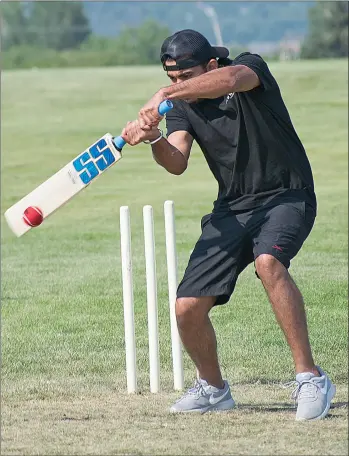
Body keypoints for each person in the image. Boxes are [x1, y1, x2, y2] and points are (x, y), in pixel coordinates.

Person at [121, 29, 336, 420]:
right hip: (232, 208)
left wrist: (164, 96)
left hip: (286, 195)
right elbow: (177, 161)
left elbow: (233, 79)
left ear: (211, 64)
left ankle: (311, 378)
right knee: (187, 308)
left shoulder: (249, 69)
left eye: (185, 77)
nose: (179, 86)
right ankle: (214, 389)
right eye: (171, 79)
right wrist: (154, 138)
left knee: (269, 263)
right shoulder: (184, 108)